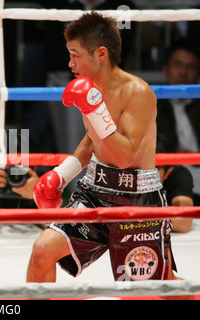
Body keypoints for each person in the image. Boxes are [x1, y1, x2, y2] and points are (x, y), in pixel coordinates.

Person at [27, 12, 179, 284]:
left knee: (152, 288)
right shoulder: (91, 88)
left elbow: (124, 157)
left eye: (75, 54)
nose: (70, 62)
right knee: (41, 252)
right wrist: (62, 174)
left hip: (137, 200)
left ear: (100, 54)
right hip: (94, 191)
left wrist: (95, 109)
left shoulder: (137, 92)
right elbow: (92, 139)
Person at [156, 39, 200, 205]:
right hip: (170, 178)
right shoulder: (151, 105)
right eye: (177, 64)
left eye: (191, 67)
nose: (183, 72)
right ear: (165, 69)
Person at [159, 165, 193, 233]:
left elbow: (184, 223)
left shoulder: (179, 174)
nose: (146, 173)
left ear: (167, 173)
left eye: (155, 168)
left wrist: (145, 210)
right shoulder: (133, 173)